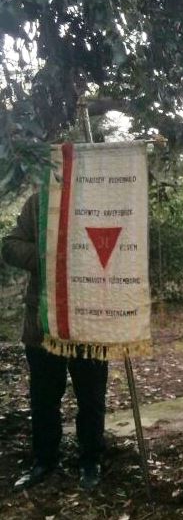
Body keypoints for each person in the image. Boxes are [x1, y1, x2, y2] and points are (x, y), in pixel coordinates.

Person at [3, 193, 108, 491]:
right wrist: (46, 254)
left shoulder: (101, 196)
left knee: (91, 396)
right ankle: (45, 460)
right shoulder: (38, 202)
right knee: (44, 398)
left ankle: (91, 460)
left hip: (90, 318)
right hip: (43, 323)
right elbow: (9, 246)